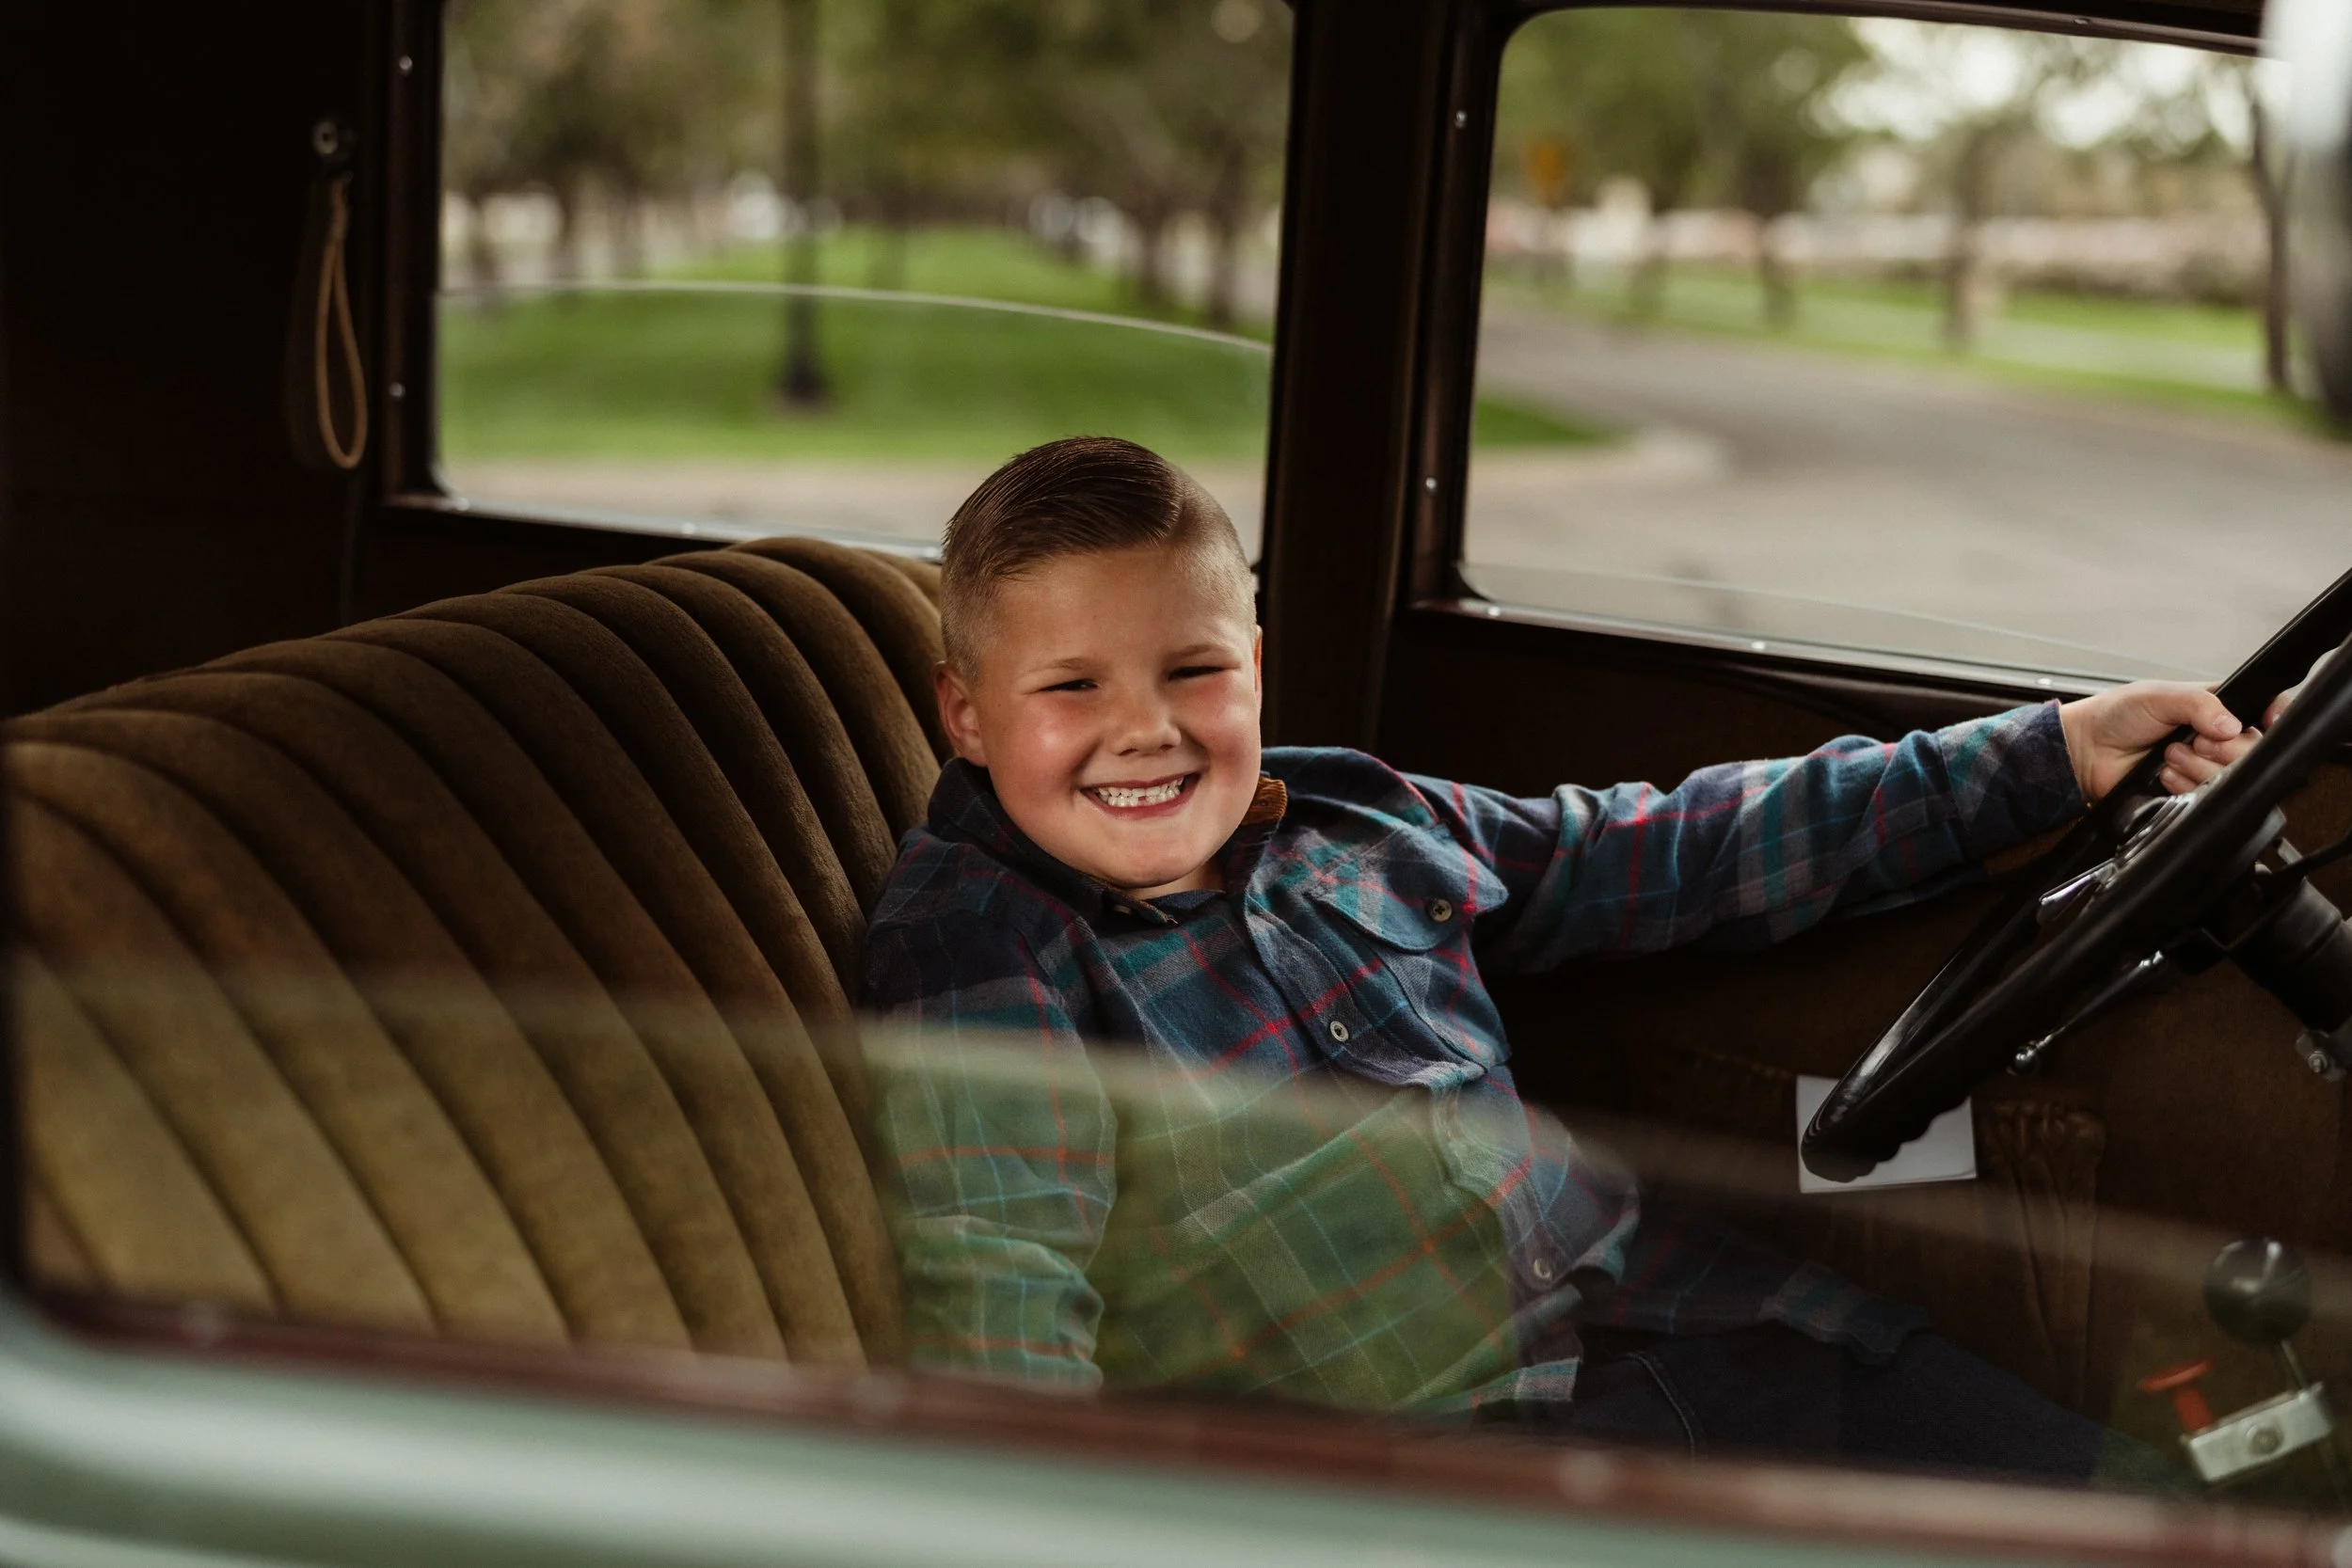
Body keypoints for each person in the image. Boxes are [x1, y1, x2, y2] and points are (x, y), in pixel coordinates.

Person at [861, 435, 2263, 1484]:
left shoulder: (1352, 814)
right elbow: (1006, 1291)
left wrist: (2046, 755)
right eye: (1071, 688)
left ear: (1257, 665)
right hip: (1449, 1475)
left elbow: (1669, 851)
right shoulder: (991, 947)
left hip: (1710, 1323)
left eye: (1192, 670)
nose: (1146, 729)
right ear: (968, 714)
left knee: (2155, 1511)